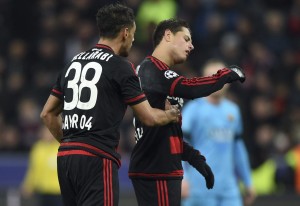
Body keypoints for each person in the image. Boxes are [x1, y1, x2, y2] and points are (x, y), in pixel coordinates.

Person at [40, 3, 180, 206]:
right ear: (125, 32)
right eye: (133, 33)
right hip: (97, 157)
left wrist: (73, 144)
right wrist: (171, 114)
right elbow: (149, 117)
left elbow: (47, 114)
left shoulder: (73, 63)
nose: (133, 39)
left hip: (66, 158)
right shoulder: (121, 67)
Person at [128, 18, 246, 206]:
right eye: (186, 39)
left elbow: (166, 134)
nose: (191, 46)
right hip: (156, 169)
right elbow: (190, 88)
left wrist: (195, 159)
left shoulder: (157, 75)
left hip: (161, 167)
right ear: (168, 35)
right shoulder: (152, 70)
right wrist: (225, 75)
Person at [181, 59, 256, 206]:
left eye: (221, 76)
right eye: (212, 76)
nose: (218, 81)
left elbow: (238, 149)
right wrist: (182, 178)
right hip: (199, 189)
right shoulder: (193, 110)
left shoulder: (233, 111)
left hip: (228, 190)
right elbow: (178, 146)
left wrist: (248, 181)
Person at [21, 125, 62, 206]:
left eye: (50, 132)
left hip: (58, 191)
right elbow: (33, 169)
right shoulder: (37, 148)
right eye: (45, 132)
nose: (47, 135)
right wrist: (28, 185)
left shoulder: (61, 147)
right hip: (41, 190)